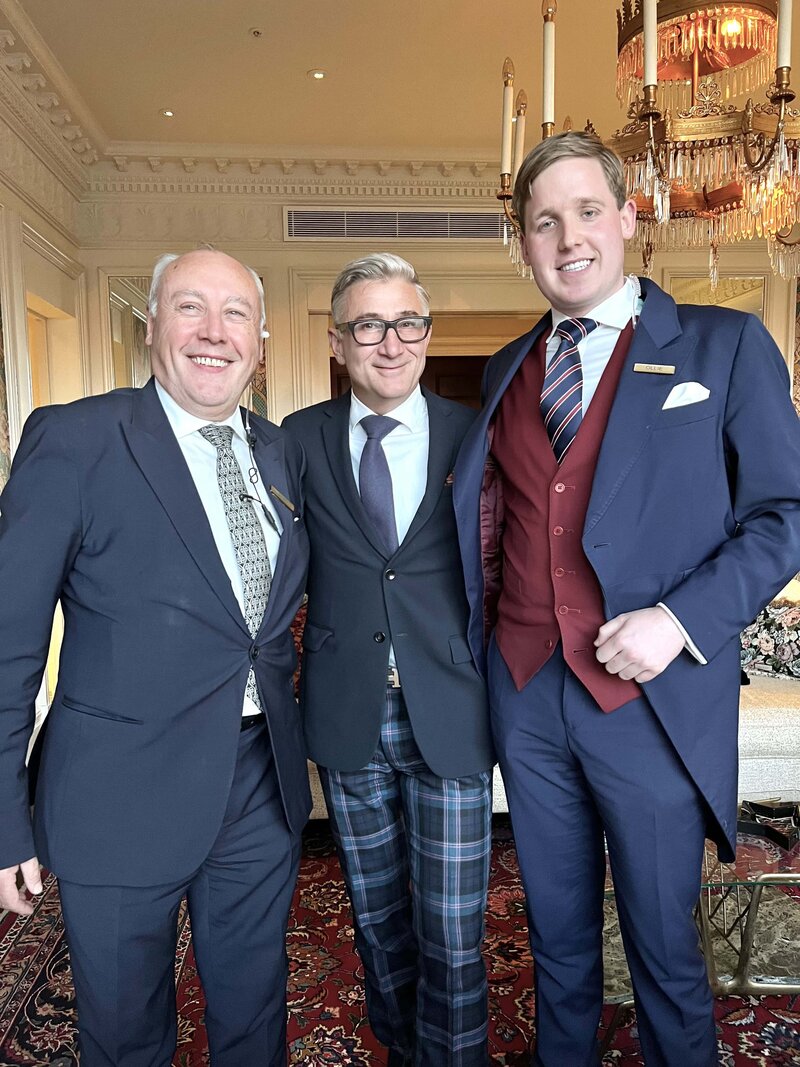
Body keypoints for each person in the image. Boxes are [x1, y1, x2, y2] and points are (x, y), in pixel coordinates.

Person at [452, 131, 800, 1066]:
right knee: (555, 942)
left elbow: (785, 514)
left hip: (649, 703)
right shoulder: (502, 372)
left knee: (662, 948)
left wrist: (681, 620)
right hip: (525, 695)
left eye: (588, 210)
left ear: (629, 218)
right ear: (523, 243)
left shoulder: (725, 345)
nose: (568, 237)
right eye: (544, 221)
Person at [0, 248, 311, 1067]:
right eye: (190, 309)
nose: (214, 333)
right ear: (151, 328)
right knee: (127, 1035)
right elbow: (8, 644)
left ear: (262, 340)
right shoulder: (75, 440)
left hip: (257, 782)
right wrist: (2, 820)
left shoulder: (278, 453)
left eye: (236, 313)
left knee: (254, 1017)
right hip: (117, 791)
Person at [282, 253, 494, 1066]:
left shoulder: (473, 433)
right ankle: (406, 1049)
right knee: (377, 920)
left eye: (407, 323)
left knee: (453, 929)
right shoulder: (295, 439)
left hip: (452, 707)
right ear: (338, 341)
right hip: (345, 710)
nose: (390, 341)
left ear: (428, 335)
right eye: (368, 325)